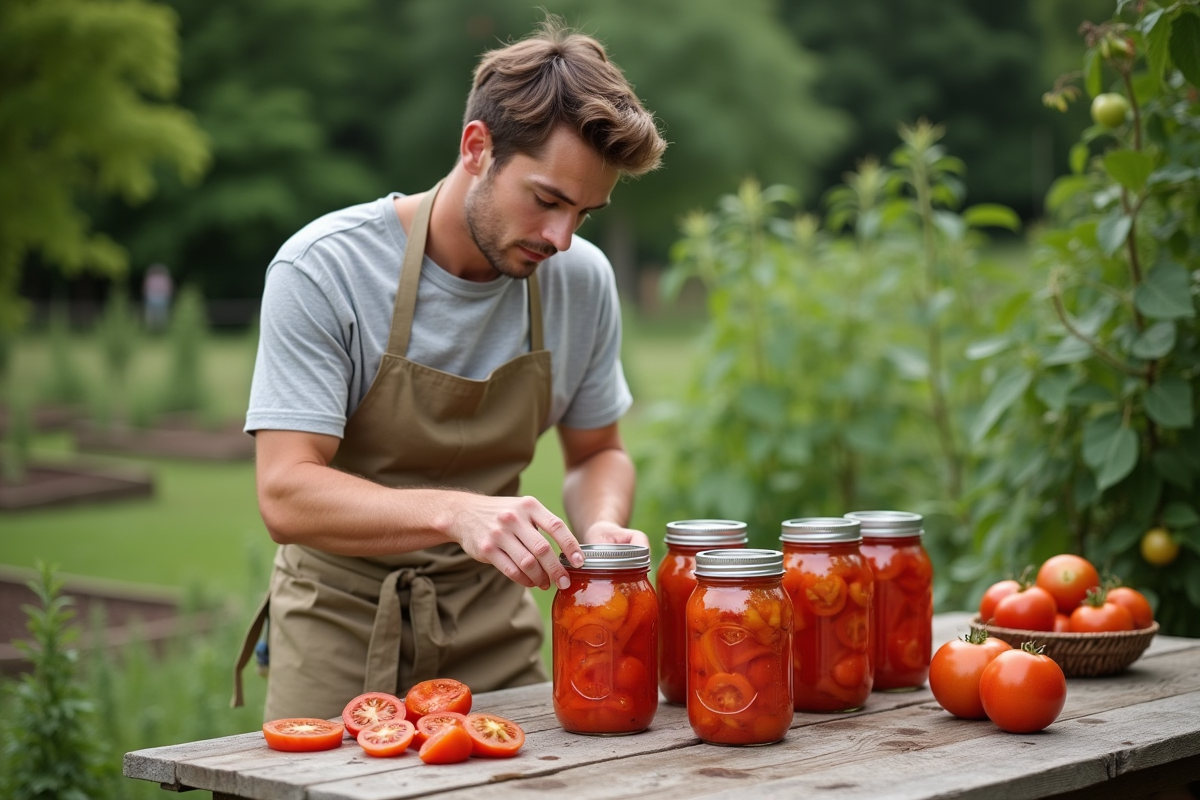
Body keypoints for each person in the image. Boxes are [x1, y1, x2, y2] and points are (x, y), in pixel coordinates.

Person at [232, 17, 667, 721]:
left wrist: (604, 527)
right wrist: (455, 511)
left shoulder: (580, 281)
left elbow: (597, 454)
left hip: (494, 631)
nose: (561, 238)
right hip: (337, 626)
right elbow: (285, 494)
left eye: (584, 214)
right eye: (547, 200)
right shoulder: (326, 269)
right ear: (477, 148)